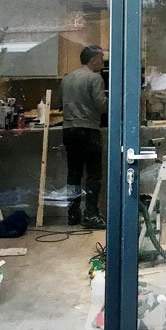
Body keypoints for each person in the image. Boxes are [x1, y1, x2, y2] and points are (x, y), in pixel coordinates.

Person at [58, 45, 108, 228]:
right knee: (94, 174)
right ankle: (91, 215)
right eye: (101, 59)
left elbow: (59, 104)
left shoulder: (67, 79)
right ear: (93, 59)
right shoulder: (95, 78)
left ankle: (73, 215)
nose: (102, 63)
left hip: (69, 130)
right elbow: (101, 105)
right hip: (88, 129)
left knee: (73, 173)